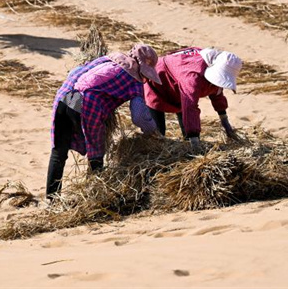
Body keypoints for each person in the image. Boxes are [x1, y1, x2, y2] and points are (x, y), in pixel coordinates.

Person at [46, 44, 162, 199]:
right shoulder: (135, 81)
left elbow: (75, 71)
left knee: (59, 152)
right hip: (88, 103)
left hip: (66, 95)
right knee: (96, 153)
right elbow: (139, 115)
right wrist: (153, 132)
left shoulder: (110, 58)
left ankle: (51, 200)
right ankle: (95, 197)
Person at [143, 47, 243, 149]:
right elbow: (189, 106)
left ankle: (188, 143)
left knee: (187, 134)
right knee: (158, 135)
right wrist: (195, 143)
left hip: (179, 86)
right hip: (158, 81)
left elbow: (217, 93)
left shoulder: (212, 65)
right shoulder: (192, 76)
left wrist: (225, 123)